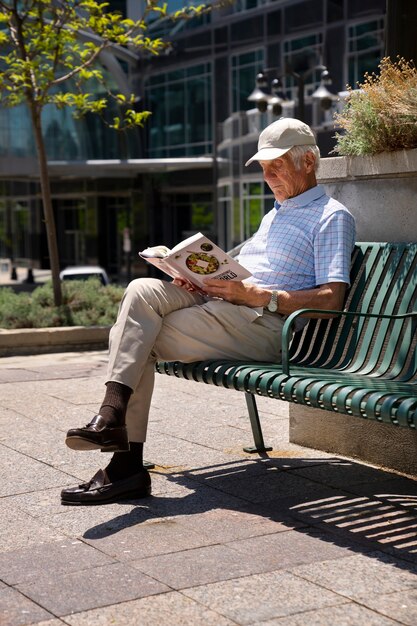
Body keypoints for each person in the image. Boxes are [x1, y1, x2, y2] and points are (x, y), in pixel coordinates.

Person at [61, 117, 356, 505]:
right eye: (264, 169)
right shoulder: (276, 213)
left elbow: (331, 299)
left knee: (136, 336)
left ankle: (123, 460)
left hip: (266, 324)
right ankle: (114, 425)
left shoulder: (332, 216)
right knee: (141, 290)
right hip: (224, 305)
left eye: (277, 166)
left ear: (309, 163)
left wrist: (260, 296)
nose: (268, 176)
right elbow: (239, 270)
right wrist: (192, 275)